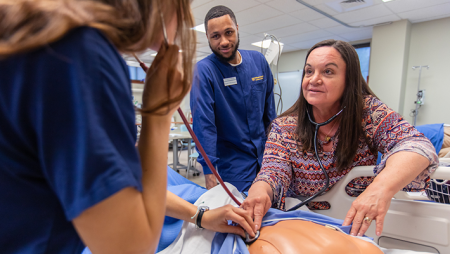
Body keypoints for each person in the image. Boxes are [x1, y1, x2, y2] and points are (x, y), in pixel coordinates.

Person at [0, 1, 254, 254]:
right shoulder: (77, 53)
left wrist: (199, 215)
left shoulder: (39, 36)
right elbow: (130, 247)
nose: (184, 15)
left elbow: (120, 188)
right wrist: (158, 113)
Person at [242, 39, 438, 238]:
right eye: (309, 71)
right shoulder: (284, 128)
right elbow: (272, 172)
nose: (314, 79)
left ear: (349, 80)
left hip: (353, 228)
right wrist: (260, 192)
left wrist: (380, 189)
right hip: (301, 227)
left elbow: (416, 145)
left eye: (328, 72)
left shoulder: (368, 113)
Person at [190, 5, 277, 192]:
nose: (224, 41)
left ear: (237, 28)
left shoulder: (258, 61)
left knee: (275, 211)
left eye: (228, 32)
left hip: (267, 160)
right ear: (207, 37)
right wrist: (209, 173)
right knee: (243, 215)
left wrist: (276, 155)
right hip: (233, 168)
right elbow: (204, 125)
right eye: (215, 36)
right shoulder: (204, 71)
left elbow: (270, 114)